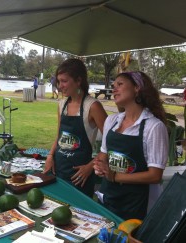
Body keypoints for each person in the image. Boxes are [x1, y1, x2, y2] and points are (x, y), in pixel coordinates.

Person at [93, 71, 169, 220]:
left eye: (120, 84)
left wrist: (115, 176)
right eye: (113, 86)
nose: (114, 89)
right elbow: (103, 155)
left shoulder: (153, 127)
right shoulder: (112, 121)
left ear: (137, 88)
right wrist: (99, 165)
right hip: (108, 196)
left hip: (136, 204)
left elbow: (155, 175)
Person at [43, 58, 107, 198]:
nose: (60, 86)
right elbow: (60, 135)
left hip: (80, 176)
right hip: (59, 170)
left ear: (78, 81)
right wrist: (50, 156)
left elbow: (111, 142)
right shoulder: (61, 104)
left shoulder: (93, 106)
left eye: (64, 81)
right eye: (58, 81)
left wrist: (90, 167)